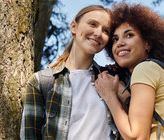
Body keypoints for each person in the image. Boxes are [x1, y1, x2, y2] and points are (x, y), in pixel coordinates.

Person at [20, 5, 115, 140]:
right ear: (73, 27)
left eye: (106, 31)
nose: (99, 33)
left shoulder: (111, 80)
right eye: (93, 24)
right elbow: (30, 136)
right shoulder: (41, 82)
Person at [94, 3, 164, 140]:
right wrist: (123, 94)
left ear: (148, 43)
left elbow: (136, 136)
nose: (120, 43)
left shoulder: (144, 69)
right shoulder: (156, 69)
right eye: (115, 39)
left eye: (129, 35)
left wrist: (109, 95)